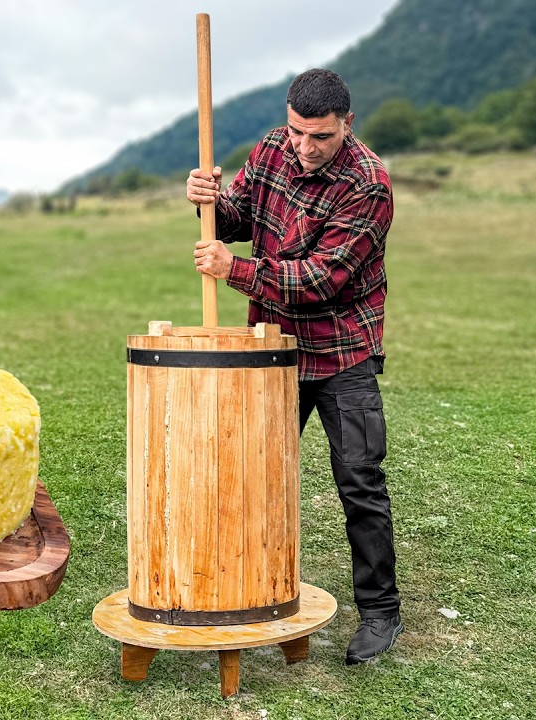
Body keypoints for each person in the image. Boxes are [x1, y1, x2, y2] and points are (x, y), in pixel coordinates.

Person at [185, 68, 401, 664]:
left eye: (321, 137)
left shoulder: (369, 183)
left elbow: (322, 283)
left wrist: (235, 271)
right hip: (272, 345)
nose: (304, 148)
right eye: (297, 131)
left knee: (359, 478)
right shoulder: (273, 149)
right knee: (253, 474)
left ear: (347, 125)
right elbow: (236, 222)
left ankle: (380, 612)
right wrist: (208, 202)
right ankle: (251, 588)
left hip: (340, 350)